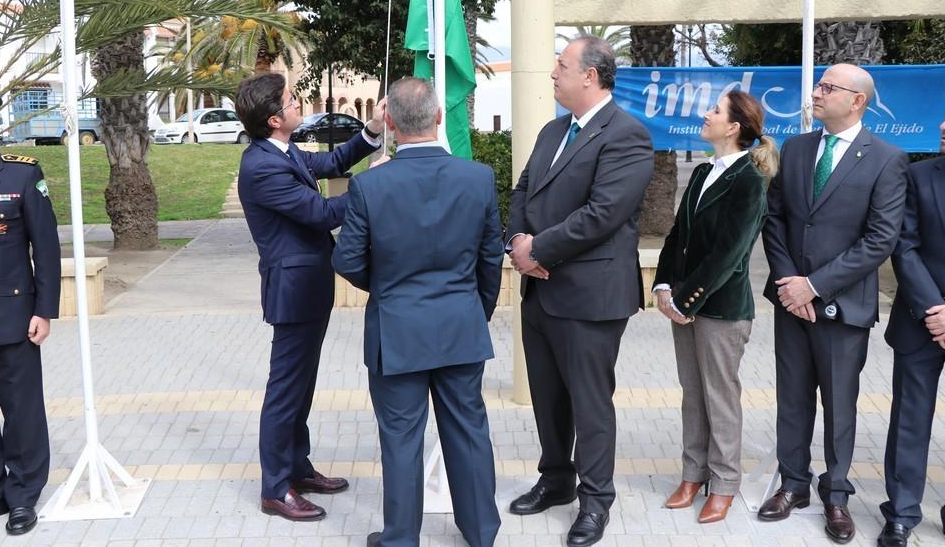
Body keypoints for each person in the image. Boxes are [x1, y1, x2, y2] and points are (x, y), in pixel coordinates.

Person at [332, 77, 503, 547]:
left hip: (397, 332)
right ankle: (482, 532)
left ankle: (401, 538)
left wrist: (387, 290)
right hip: (460, 327)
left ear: (388, 121)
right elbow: (491, 260)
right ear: (439, 117)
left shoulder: (369, 185)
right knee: (468, 432)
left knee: (401, 439)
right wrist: (475, 311)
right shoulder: (478, 177)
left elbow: (345, 260)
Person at [507, 36, 654, 547]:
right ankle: (556, 481)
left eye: (561, 66)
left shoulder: (627, 135)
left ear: (590, 75)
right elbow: (522, 191)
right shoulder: (552, 131)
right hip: (541, 291)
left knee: (591, 404)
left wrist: (538, 250)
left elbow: (603, 214)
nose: (553, 74)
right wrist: (516, 243)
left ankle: (595, 502)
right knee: (548, 398)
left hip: (590, 296)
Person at [759, 63, 908, 543]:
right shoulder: (798, 148)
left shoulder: (886, 159)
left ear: (857, 100)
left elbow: (880, 239)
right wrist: (788, 283)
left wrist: (815, 286)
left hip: (843, 307)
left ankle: (837, 495)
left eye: (827, 87)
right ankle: (793, 484)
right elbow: (775, 219)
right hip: (790, 302)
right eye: (818, 85)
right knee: (792, 399)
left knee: (839, 405)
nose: (816, 93)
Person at [234, 72, 386, 522]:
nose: (300, 102)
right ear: (275, 118)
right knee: (285, 390)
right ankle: (276, 488)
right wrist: (372, 186)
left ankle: (297, 468)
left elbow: (333, 162)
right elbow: (320, 214)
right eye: (291, 99)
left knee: (301, 387)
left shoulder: (281, 151)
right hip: (293, 289)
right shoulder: (261, 165)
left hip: (309, 286)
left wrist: (373, 130)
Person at [653, 90, 778, 523]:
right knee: (693, 393)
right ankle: (693, 473)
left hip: (722, 309)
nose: (705, 114)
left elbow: (729, 253)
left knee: (719, 397)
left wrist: (686, 300)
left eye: (715, 110)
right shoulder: (705, 169)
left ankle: (724, 483)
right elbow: (676, 236)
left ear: (734, 127)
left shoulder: (749, 178)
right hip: (686, 303)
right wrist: (663, 286)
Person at [0, 84, 61, 536]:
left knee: (21, 411)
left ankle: (22, 495)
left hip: (11, 316)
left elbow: (46, 246)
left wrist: (45, 309)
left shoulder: (20, 174)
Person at [878, 93, 945, 547]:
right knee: (910, 419)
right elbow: (903, 247)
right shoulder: (918, 175)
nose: (944, 126)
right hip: (919, 321)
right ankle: (902, 513)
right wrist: (939, 312)